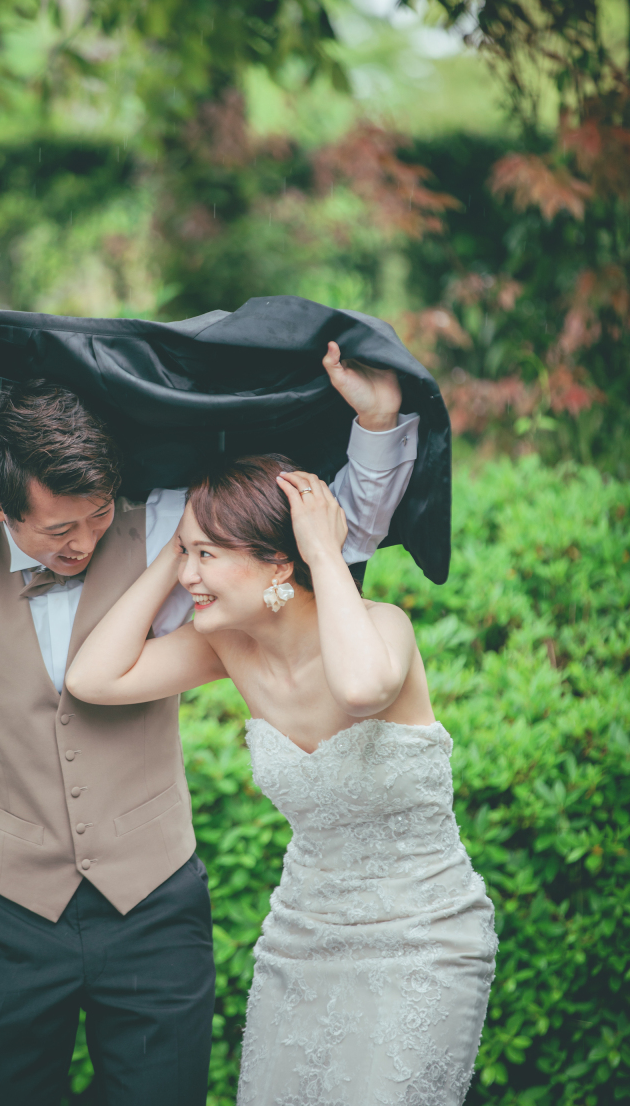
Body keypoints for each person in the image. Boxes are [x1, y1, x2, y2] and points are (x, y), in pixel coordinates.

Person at [0, 298, 420, 1106]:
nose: (84, 540)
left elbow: (330, 539)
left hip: (156, 909)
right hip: (6, 915)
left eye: (99, 513)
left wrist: (379, 425)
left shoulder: (168, 527)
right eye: (60, 528)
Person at [65, 457, 498, 1106]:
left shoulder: (384, 629)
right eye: (187, 554)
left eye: (208, 555)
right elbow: (91, 680)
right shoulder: (226, 648)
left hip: (425, 941)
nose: (189, 576)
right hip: (302, 943)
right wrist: (176, 552)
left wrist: (324, 552)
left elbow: (359, 689)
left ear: (277, 563)